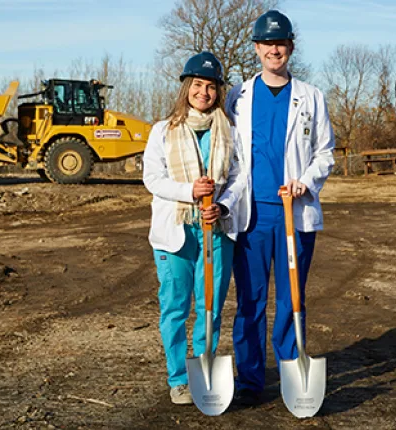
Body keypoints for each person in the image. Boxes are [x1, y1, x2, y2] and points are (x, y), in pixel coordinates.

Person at [225, 10, 335, 405]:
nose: (274, 49)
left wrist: (306, 181)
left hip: (295, 213)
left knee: (292, 299)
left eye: (281, 43)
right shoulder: (237, 97)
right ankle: (251, 381)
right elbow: (230, 156)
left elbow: (325, 152)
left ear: (291, 47)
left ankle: (292, 374)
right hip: (252, 216)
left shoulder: (311, 96)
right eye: (267, 43)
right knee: (251, 300)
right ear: (256, 48)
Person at [143, 52, 245, 405]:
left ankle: (204, 370)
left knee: (211, 307)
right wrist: (190, 192)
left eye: (211, 86)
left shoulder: (228, 130)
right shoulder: (164, 130)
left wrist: (223, 204)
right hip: (175, 232)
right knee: (175, 307)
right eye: (198, 85)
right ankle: (178, 378)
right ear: (187, 87)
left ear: (218, 91)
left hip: (215, 232)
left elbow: (237, 176)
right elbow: (152, 178)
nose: (204, 92)